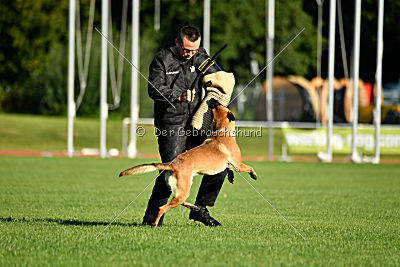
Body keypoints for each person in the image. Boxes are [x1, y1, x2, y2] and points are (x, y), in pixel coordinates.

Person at [143, 26, 227, 227]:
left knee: (221, 166)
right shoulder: (162, 59)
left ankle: (200, 209)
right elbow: (153, 88)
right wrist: (177, 96)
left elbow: (217, 76)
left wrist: (221, 85)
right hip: (171, 123)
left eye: (195, 50)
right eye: (187, 50)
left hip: (196, 123)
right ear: (177, 43)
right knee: (171, 170)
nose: (191, 54)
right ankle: (151, 221)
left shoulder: (200, 56)